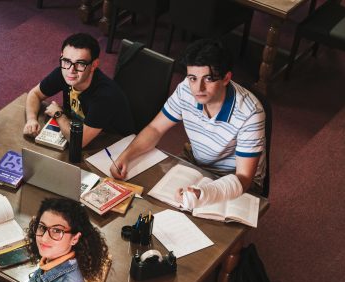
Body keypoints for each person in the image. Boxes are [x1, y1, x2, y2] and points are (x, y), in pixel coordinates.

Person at [112, 38, 266, 207]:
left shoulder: (250, 113)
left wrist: (205, 193)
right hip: (196, 160)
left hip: (233, 177)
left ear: (226, 78)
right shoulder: (186, 88)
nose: (198, 88)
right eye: (193, 78)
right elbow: (155, 128)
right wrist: (126, 156)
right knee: (153, 200)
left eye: (208, 79)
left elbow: (244, 178)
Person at [23, 33, 134, 147]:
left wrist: (58, 114)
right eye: (67, 61)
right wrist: (31, 119)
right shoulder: (64, 72)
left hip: (114, 143)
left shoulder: (105, 96)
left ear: (94, 65)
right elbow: (35, 94)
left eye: (80, 64)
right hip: (84, 130)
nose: (71, 70)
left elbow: (79, 142)